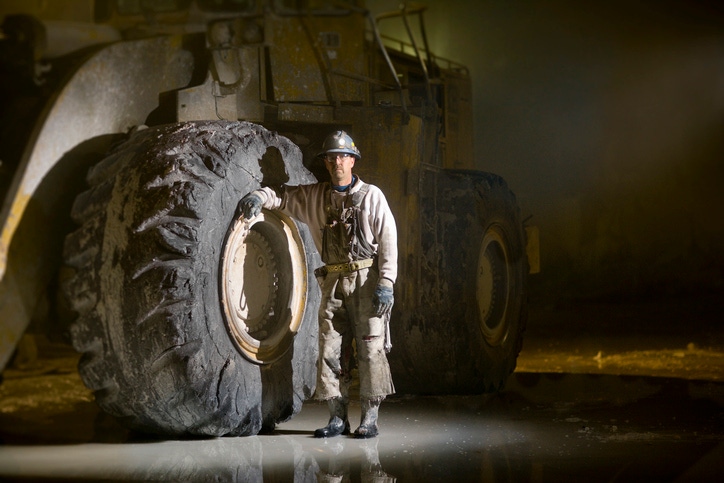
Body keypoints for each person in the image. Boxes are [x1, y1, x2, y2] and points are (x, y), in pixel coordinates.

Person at [237, 130, 397, 438]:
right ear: (325, 163)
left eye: (344, 157)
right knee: (329, 349)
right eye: (332, 157)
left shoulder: (372, 196)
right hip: (333, 281)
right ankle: (338, 418)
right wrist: (260, 196)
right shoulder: (315, 196)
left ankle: (370, 419)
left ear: (353, 161)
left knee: (370, 348)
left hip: (365, 280)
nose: (338, 162)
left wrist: (387, 280)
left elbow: (388, 239)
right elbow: (282, 197)